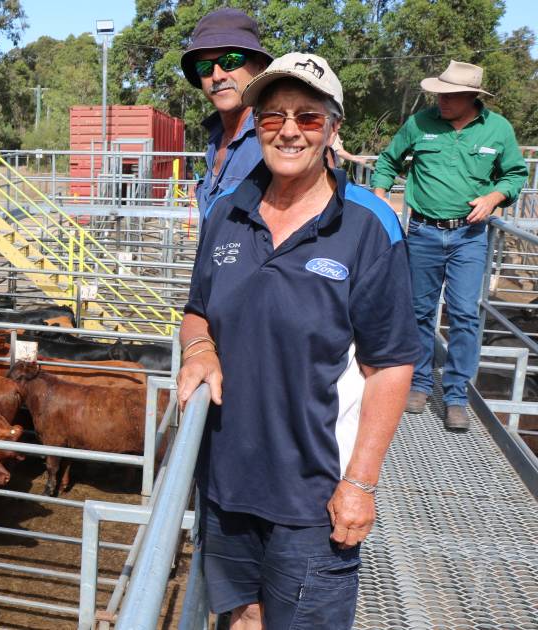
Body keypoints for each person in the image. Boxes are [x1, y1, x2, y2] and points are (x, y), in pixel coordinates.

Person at [176, 53, 420, 629]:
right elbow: (196, 311)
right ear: (256, 122)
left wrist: (360, 483)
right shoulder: (228, 212)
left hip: (314, 495)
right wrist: (198, 348)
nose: (288, 130)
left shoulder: (367, 225)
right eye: (273, 116)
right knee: (240, 621)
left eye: (308, 118)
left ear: (334, 129)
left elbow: (391, 366)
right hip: (227, 484)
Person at [371, 61, 529, 430]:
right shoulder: (420, 123)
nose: (442, 100)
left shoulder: (497, 129)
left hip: (469, 237)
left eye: (451, 95)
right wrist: (379, 201)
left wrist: (493, 198)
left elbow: (515, 175)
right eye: (440, 93)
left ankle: (456, 394)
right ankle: (420, 383)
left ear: (472, 97)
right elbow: (387, 161)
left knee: (463, 313)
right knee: (418, 311)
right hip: (423, 233)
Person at [179, 8, 272, 211]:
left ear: (260, 66)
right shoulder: (215, 138)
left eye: (230, 61)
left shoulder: (278, 136)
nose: (217, 75)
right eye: (205, 67)